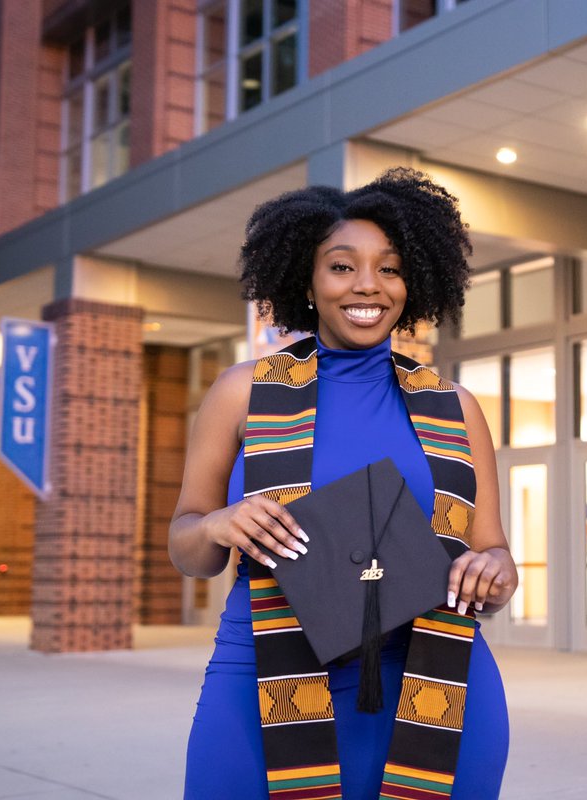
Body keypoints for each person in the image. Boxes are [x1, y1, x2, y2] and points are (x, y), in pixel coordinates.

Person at [170, 167, 516, 799]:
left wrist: (492, 574)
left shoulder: (454, 405)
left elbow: (493, 554)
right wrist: (219, 523)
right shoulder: (243, 392)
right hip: (266, 666)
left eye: (390, 268)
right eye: (341, 266)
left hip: (433, 673)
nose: (368, 286)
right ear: (306, 278)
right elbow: (188, 546)